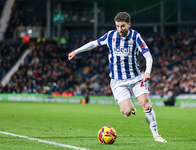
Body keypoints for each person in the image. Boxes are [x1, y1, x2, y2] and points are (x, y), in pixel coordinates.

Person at [68, 12, 167, 142]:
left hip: (136, 78)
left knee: (146, 105)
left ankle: (156, 135)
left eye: (123, 26)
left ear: (129, 25)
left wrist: (147, 72)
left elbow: (148, 56)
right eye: (118, 26)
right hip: (118, 82)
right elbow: (93, 44)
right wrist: (76, 51)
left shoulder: (136, 36)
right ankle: (128, 106)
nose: (120, 29)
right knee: (126, 112)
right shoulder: (110, 36)